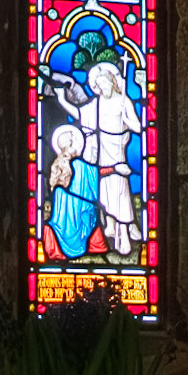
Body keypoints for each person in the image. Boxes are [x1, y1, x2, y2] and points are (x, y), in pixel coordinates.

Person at [52, 58, 142, 256]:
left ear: (112, 81)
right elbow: (80, 114)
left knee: (120, 190)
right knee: (105, 194)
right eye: (98, 85)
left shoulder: (123, 101)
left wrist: (127, 120)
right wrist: (62, 101)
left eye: (105, 83)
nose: (102, 87)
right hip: (101, 154)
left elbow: (138, 127)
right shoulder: (96, 104)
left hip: (118, 152)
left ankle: (125, 232)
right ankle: (109, 225)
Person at [43, 124, 100, 260]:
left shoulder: (73, 164)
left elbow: (54, 184)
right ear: (69, 144)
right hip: (65, 201)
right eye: (73, 141)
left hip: (67, 200)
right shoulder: (68, 163)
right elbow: (54, 184)